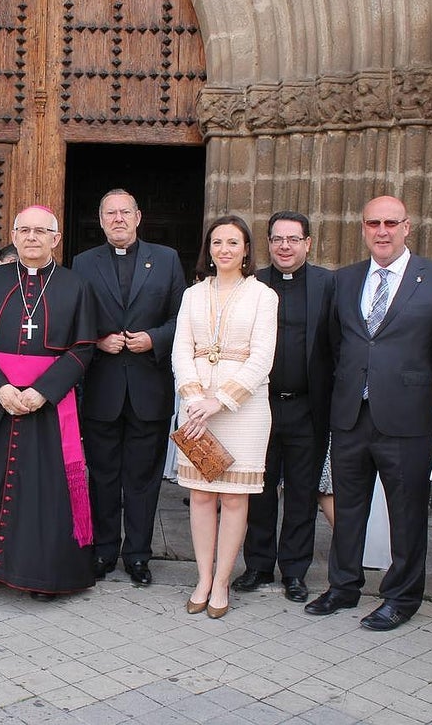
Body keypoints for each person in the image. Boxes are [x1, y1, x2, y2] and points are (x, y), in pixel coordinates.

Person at [305, 195, 432, 630]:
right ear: (363, 228)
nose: (382, 231)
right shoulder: (344, 279)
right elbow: (334, 345)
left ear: (407, 227)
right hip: (351, 414)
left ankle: (402, 597)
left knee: (406, 514)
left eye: (391, 223)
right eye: (373, 223)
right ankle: (343, 586)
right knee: (347, 509)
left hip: (406, 419)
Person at [0, 205, 98, 601]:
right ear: (13, 235)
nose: (31, 237)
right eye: (24, 230)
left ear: (55, 239)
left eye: (40, 231)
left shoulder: (74, 286)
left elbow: (83, 348)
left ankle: (42, 576)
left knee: (43, 492)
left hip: (47, 404)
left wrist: (43, 391)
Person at [72, 189, 185, 586]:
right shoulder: (83, 263)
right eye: (110, 213)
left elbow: (181, 318)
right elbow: (75, 318)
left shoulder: (167, 259)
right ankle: (104, 550)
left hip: (148, 388)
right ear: (101, 220)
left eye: (125, 212)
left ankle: (138, 555)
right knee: (102, 476)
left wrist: (154, 338)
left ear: (138, 217)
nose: (118, 219)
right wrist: (97, 340)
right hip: (102, 388)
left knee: (142, 479)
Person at [172, 215, 277, 618]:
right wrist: (194, 396)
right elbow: (181, 349)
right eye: (217, 242)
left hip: (243, 409)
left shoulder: (263, 296)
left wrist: (221, 400)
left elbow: (262, 358)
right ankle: (202, 578)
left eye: (233, 242)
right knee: (200, 495)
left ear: (246, 249)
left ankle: (222, 582)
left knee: (234, 498)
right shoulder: (193, 294)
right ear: (209, 249)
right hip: (196, 406)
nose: (225, 249)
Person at [234, 211, 334, 603]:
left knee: (301, 493)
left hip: (307, 408)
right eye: (277, 239)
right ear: (268, 243)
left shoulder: (328, 284)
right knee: (258, 489)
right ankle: (258, 566)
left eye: (293, 239)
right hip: (259, 405)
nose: (285, 247)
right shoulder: (252, 283)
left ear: (308, 243)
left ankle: (294, 571)